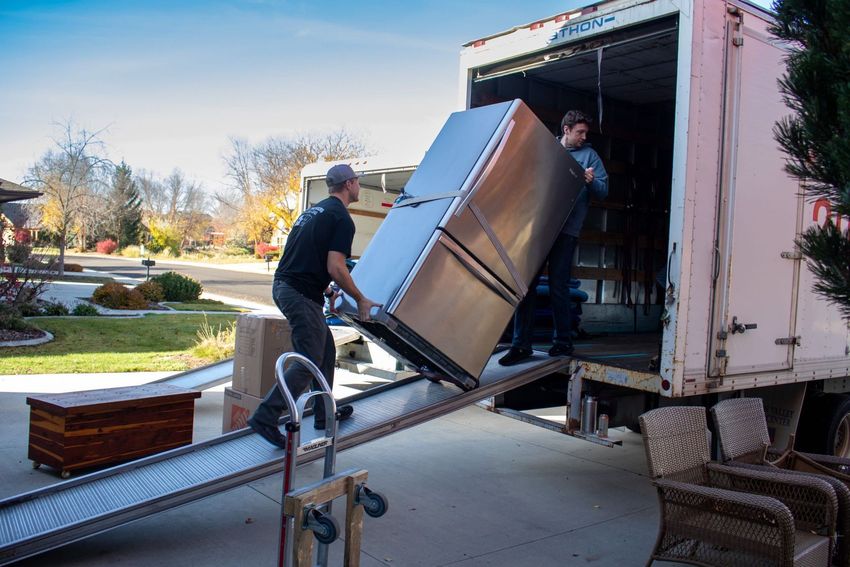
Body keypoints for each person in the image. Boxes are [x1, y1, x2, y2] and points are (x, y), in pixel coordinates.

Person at [248, 163, 381, 448]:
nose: (358, 186)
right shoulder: (342, 219)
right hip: (298, 294)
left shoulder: (312, 213)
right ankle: (266, 417)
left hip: (288, 287)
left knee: (325, 350)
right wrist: (360, 299)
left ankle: (324, 414)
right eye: (357, 182)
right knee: (308, 359)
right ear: (348, 185)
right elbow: (336, 266)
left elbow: (307, 259)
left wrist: (329, 290)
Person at [499, 110, 608, 366]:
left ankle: (562, 343)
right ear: (566, 130)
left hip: (567, 232)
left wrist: (591, 181)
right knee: (526, 287)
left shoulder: (590, 156)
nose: (583, 137)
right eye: (579, 132)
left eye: (585, 133)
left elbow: (603, 191)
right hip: (540, 229)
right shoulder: (549, 150)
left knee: (559, 288)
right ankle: (520, 345)